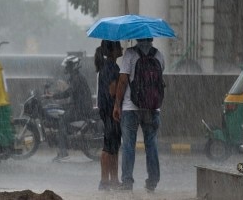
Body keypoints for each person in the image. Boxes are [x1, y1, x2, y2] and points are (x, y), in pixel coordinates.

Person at [113, 38, 164, 192]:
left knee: (129, 145)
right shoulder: (159, 55)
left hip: (131, 107)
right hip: (152, 108)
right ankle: (152, 182)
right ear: (152, 38)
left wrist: (117, 104)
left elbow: (122, 81)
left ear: (137, 37)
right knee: (152, 144)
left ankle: (127, 182)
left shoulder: (130, 53)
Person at [46, 55, 93, 162]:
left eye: (68, 66)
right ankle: (68, 139)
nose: (66, 68)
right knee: (61, 113)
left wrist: (53, 96)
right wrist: (54, 95)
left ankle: (63, 152)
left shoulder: (77, 78)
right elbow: (70, 93)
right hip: (78, 105)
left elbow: (68, 93)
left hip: (81, 108)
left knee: (62, 121)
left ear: (73, 66)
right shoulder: (75, 77)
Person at [94, 40, 123, 191]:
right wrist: (123, 84)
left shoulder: (106, 67)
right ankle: (105, 181)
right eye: (119, 46)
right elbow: (112, 91)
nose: (122, 48)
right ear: (113, 50)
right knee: (108, 147)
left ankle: (113, 180)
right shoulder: (112, 67)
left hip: (107, 110)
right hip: (111, 111)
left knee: (114, 146)